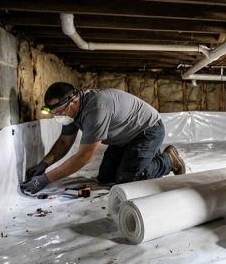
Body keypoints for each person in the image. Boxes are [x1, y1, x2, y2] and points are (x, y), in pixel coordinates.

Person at [20, 82, 185, 194]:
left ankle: (168, 160)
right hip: (124, 137)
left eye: (60, 112)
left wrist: (45, 179)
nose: (58, 116)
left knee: (128, 180)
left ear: (74, 101)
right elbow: (64, 142)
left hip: (147, 131)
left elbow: (84, 157)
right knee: (105, 178)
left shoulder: (95, 108)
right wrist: (44, 164)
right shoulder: (71, 112)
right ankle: (144, 157)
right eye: (54, 113)